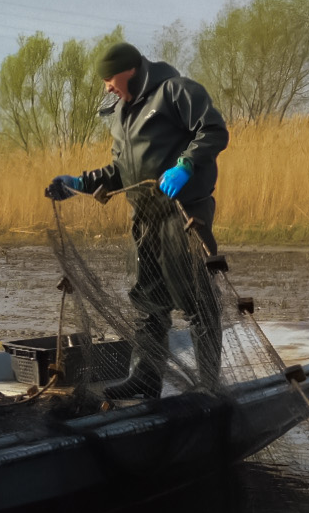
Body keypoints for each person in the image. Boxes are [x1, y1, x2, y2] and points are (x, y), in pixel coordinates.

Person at [45, 41, 230, 399]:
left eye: (110, 79)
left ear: (129, 70)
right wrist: (79, 184)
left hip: (183, 212)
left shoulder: (175, 91)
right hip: (143, 217)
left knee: (197, 300)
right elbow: (120, 170)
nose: (107, 87)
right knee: (147, 301)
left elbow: (214, 130)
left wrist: (186, 165)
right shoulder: (120, 114)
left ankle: (208, 386)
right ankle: (145, 378)